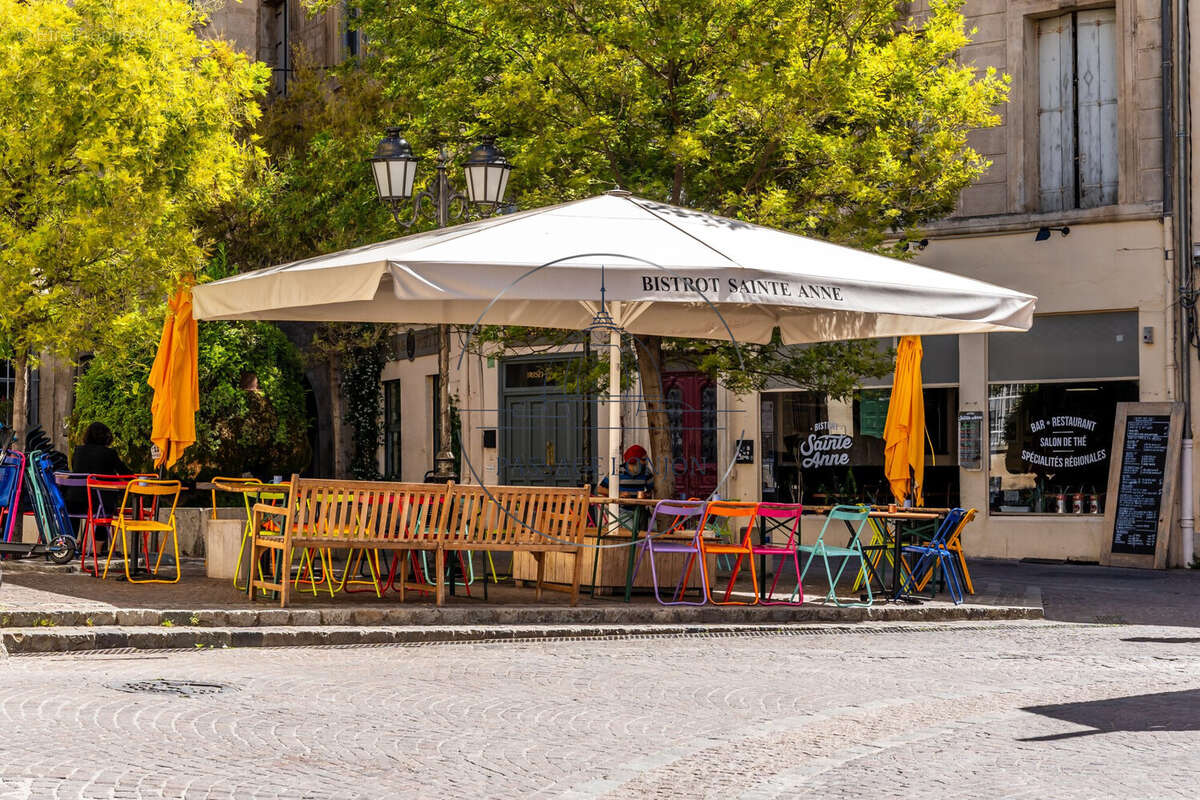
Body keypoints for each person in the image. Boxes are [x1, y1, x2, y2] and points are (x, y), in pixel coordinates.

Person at [67, 422, 132, 517]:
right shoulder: (109, 453)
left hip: (73, 503)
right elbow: (126, 474)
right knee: (105, 505)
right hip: (99, 505)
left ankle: (71, 532)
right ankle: (101, 532)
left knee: (78, 499)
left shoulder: (78, 451)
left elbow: (75, 470)